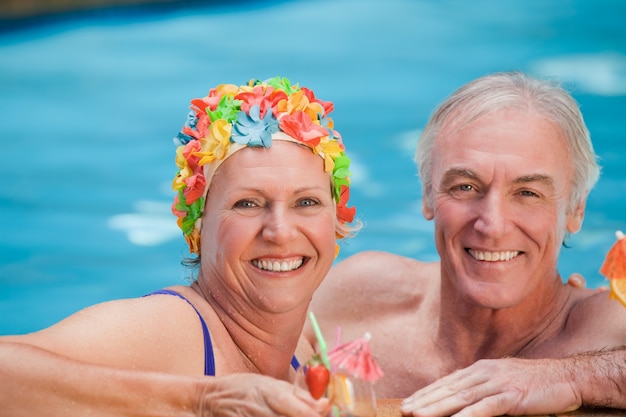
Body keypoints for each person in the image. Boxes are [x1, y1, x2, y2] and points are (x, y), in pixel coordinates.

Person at [0, 76, 360, 416]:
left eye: (307, 202)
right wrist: (201, 400)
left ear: (336, 221)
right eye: (247, 203)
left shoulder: (302, 354)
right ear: (198, 228)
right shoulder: (170, 330)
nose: (280, 232)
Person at [306, 71, 626, 416]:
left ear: (576, 208)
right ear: (428, 194)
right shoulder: (357, 299)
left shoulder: (608, 328)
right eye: (465, 187)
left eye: (528, 193)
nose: (492, 225)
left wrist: (565, 375)